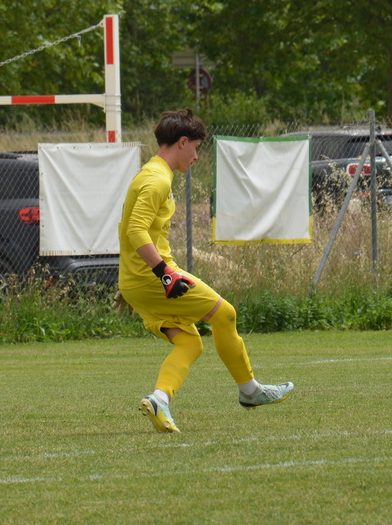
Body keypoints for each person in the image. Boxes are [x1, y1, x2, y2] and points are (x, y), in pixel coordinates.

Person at [121, 109, 294, 433]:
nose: (197, 156)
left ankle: (159, 399)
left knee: (191, 343)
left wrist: (131, 282)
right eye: (196, 147)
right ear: (182, 142)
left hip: (138, 281)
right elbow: (135, 231)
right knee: (225, 314)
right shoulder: (157, 179)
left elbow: (130, 230)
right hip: (153, 277)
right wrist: (164, 274)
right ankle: (250, 391)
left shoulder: (151, 173)